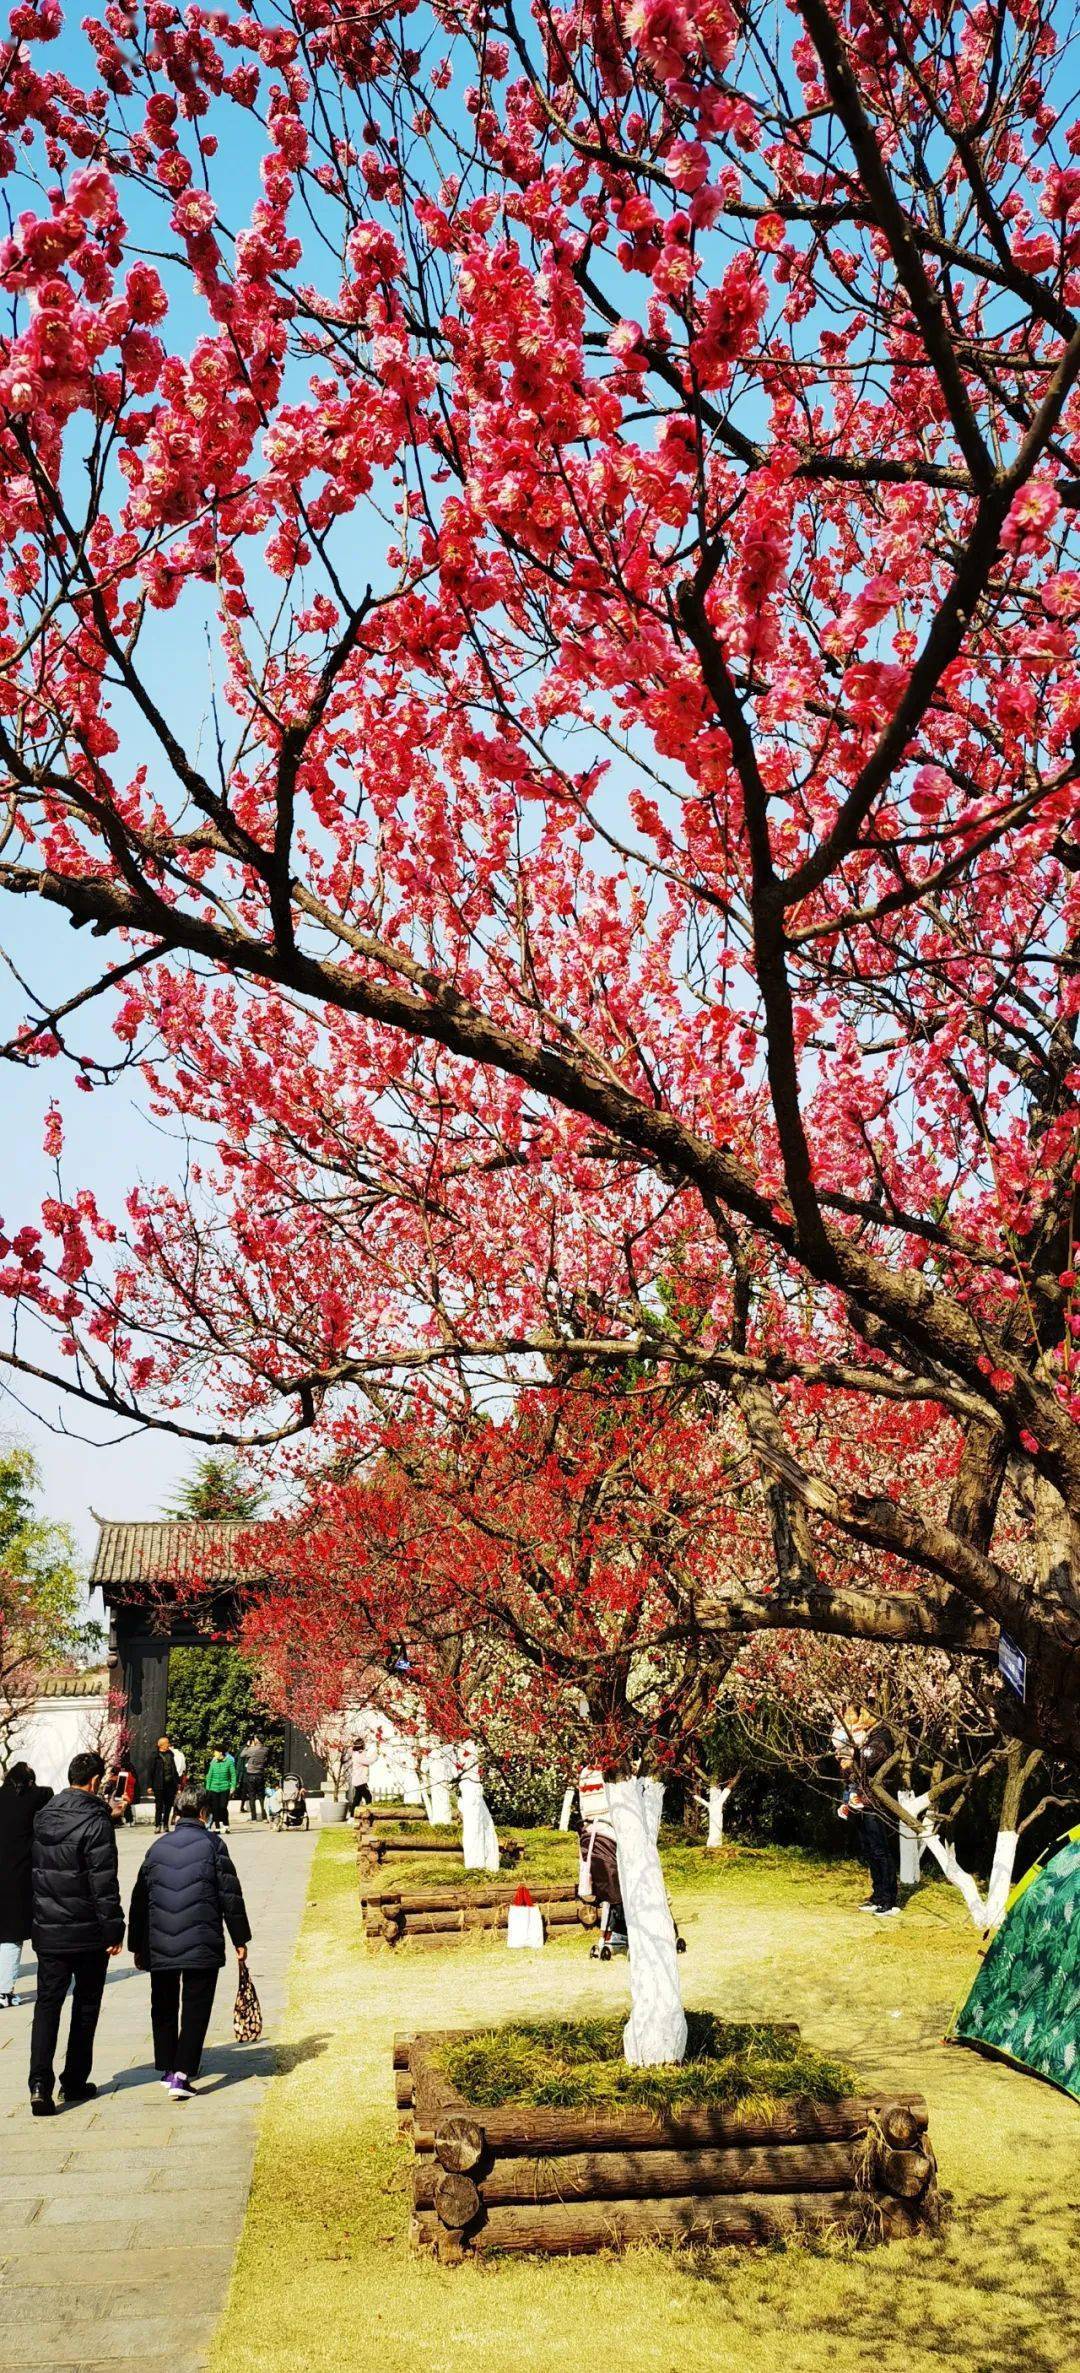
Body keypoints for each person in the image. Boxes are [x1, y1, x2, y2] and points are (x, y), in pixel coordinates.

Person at [128, 1785, 252, 2100]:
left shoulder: (156, 1848)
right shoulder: (214, 1844)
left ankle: (168, 2067)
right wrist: (240, 1938)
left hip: (161, 1941)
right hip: (201, 1940)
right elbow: (230, 1895)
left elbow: (139, 1899)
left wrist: (137, 1945)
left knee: (164, 2005)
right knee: (196, 2008)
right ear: (203, 1813)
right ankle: (182, 2073)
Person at [28, 1749, 124, 2115]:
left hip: (49, 1929)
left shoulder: (43, 1816)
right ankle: (73, 2080)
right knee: (85, 2005)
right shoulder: (95, 1822)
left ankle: (39, 2083)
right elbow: (103, 1883)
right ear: (95, 1781)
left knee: (47, 2006)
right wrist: (114, 1928)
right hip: (86, 1932)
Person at [0, 1762, 53, 2008]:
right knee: (11, 1935)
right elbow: (46, 1793)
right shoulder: (36, 1797)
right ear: (30, 1781)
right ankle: (4, 1992)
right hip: (19, 1877)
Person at [850, 1710, 900, 1917]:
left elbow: (867, 1761)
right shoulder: (869, 1738)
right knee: (870, 1850)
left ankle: (889, 1900)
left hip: (876, 1802)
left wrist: (856, 1749)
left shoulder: (882, 1737)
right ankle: (877, 1895)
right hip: (862, 1800)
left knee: (880, 1850)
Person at [149, 1736, 180, 1833]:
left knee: (168, 1805)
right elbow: (151, 1771)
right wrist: (149, 1786)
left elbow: (174, 1769)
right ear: (161, 1745)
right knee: (159, 1806)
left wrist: (177, 1782)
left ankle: (165, 1824)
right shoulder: (155, 1756)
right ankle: (157, 1825)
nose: (169, 1744)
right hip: (159, 1784)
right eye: (167, 1743)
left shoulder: (170, 1755)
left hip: (170, 1784)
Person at [204, 1747, 236, 1829]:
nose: (214, 1754)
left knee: (223, 1807)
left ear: (221, 1752)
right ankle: (217, 1827)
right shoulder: (213, 1762)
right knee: (215, 1808)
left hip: (225, 1788)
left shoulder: (229, 1762)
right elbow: (209, 1776)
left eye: (215, 1752)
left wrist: (233, 1786)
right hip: (213, 1788)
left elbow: (233, 1775)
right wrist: (208, 1789)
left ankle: (226, 1825)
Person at [241, 1733, 268, 1821]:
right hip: (260, 1774)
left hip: (251, 1775)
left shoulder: (252, 1749)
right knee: (261, 1797)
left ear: (257, 1740)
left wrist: (248, 1746)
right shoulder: (265, 1750)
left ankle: (254, 1817)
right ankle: (264, 1817)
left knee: (252, 1796)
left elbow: (242, 1754)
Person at [347, 1740, 371, 1815]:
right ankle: (368, 1814)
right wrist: (375, 1754)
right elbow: (369, 1761)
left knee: (357, 1799)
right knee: (368, 1797)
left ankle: (352, 1816)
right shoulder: (358, 1755)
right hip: (359, 1781)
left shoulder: (358, 1754)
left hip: (359, 1780)